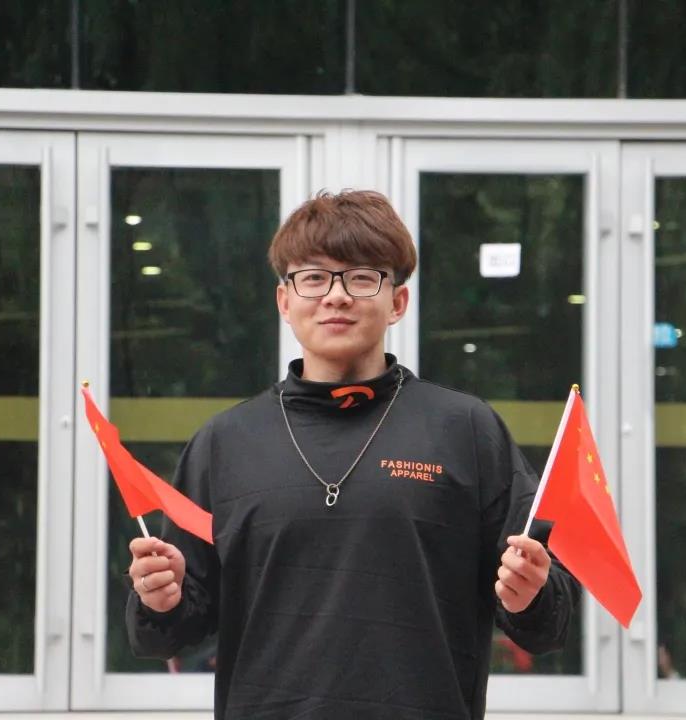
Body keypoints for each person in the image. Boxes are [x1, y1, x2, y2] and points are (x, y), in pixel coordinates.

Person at [126, 189, 578, 719]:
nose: (336, 296)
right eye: (314, 277)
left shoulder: (466, 431)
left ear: (397, 302)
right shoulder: (224, 443)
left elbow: (548, 620)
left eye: (362, 277)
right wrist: (159, 598)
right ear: (284, 301)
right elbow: (168, 632)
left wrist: (530, 594)